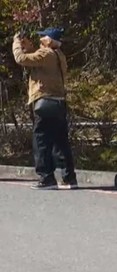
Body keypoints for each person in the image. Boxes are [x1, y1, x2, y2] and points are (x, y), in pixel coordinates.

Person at [12, 27, 78, 190]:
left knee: (41, 140)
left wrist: (16, 43)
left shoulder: (46, 54)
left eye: (43, 38)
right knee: (60, 141)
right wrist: (29, 47)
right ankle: (69, 178)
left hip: (45, 102)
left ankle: (46, 178)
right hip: (58, 102)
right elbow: (37, 59)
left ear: (49, 40)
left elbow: (21, 59)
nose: (40, 40)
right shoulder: (58, 55)